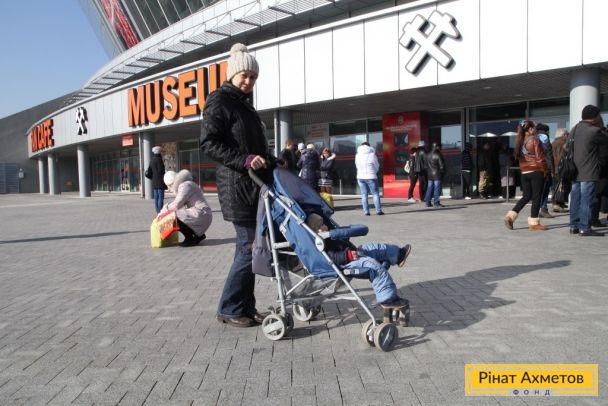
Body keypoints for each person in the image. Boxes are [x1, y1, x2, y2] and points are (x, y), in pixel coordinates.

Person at [200, 43, 277, 327]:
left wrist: (271, 159)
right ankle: (230, 308)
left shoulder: (244, 105)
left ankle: (245, 306)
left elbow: (253, 147)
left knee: (250, 248)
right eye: (244, 75)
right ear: (232, 74)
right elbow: (209, 143)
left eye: (253, 77)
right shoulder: (219, 101)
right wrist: (244, 160)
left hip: (253, 187)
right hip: (238, 188)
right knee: (249, 248)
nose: (248, 81)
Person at [306, 213, 410, 306]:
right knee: (373, 266)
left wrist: (342, 234)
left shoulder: (329, 235)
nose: (324, 227)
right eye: (320, 226)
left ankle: (398, 255)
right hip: (345, 264)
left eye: (323, 224)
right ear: (313, 230)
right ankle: (388, 298)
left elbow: (343, 240)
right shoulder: (319, 243)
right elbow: (330, 257)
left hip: (355, 253)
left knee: (373, 248)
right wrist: (347, 256)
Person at [569, 105, 608, 236]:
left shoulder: (574, 129)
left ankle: (574, 226)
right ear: (595, 116)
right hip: (589, 170)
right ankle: (584, 228)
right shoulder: (594, 131)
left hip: (574, 170)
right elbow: (605, 147)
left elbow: (566, 148)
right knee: (587, 199)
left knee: (575, 198)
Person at [504, 120, 548, 231]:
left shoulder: (520, 140)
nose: (535, 130)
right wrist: (545, 171)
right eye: (534, 128)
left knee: (526, 196)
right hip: (536, 171)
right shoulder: (534, 140)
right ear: (530, 129)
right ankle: (534, 223)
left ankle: (510, 216)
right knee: (537, 197)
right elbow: (540, 158)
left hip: (524, 172)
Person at [161, 169, 212, 247]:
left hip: (201, 213)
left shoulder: (184, 186)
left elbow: (176, 205)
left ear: (172, 183)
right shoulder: (187, 184)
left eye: (168, 186)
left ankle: (190, 238)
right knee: (180, 214)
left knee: (174, 216)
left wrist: (165, 209)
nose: (168, 188)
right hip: (203, 214)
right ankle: (197, 236)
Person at [355, 142, 384, 215]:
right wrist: (374, 172)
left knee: (364, 194)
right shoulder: (372, 155)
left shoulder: (357, 155)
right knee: (375, 194)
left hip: (360, 177)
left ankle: (366, 211)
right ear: (369, 147)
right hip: (371, 176)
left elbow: (357, 165)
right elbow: (377, 166)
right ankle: (378, 210)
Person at [536, 123, 555, 218]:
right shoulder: (545, 138)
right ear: (546, 131)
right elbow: (549, 155)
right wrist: (552, 169)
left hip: (535, 167)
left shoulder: (533, 138)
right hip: (544, 168)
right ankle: (543, 209)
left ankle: (537, 210)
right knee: (545, 189)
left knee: (538, 190)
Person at [551, 128, 570, 212]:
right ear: (564, 135)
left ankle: (558, 203)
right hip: (560, 168)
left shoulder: (553, 143)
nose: (568, 136)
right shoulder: (563, 143)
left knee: (556, 186)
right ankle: (557, 204)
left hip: (554, 168)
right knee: (561, 187)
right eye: (567, 134)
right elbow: (561, 157)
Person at [424, 142, 446, 208]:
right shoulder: (438, 155)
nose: (440, 148)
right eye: (439, 146)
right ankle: (436, 203)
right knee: (437, 189)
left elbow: (425, 166)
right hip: (437, 174)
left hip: (429, 174)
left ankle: (427, 203)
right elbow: (442, 166)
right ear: (437, 147)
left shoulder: (427, 155)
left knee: (429, 188)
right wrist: (443, 173)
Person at [147, 146, 166, 213]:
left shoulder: (152, 160)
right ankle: (159, 211)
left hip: (154, 181)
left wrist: (153, 177)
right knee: (161, 197)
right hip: (160, 181)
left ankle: (157, 210)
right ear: (159, 152)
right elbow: (161, 170)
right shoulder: (159, 160)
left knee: (156, 197)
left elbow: (149, 171)